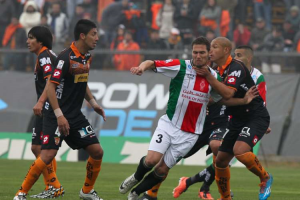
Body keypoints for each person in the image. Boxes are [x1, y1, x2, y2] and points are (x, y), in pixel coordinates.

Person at [118, 36, 258, 200]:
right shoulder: (180, 66)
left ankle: (135, 193)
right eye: (195, 52)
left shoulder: (213, 77)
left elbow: (224, 98)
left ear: (208, 54)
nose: (198, 56)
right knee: (151, 160)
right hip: (169, 124)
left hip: (190, 134)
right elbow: (151, 62)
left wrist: (244, 100)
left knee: (162, 170)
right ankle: (135, 177)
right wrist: (141, 68)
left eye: (202, 52)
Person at [14, 19, 106, 200]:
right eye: (94, 34)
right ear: (82, 35)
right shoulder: (65, 57)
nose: (97, 38)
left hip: (75, 115)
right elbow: (50, 86)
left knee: (97, 151)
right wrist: (59, 115)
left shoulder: (86, 57)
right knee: (46, 153)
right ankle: (21, 193)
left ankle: (86, 192)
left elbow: (82, 82)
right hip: (56, 114)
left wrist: (94, 103)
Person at [172, 45, 271, 199]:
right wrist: (202, 104)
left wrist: (263, 121)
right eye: (235, 54)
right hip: (228, 118)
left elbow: (257, 98)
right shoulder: (220, 71)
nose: (236, 57)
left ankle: (264, 178)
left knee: (235, 151)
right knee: (220, 160)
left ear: (249, 58)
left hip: (251, 118)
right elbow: (217, 98)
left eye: (239, 55)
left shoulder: (254, 74)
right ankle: (213, 192)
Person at [24, 25, 63, 199]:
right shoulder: (46, 55)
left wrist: (41, 102)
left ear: (40, 41)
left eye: (31, 38)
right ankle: (53, 186)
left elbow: (50, 81)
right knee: (37, 147)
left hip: (47, 106)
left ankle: (53, 186)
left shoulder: (45, 56)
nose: (28, 41)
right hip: (47, 106)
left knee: (42, 148)